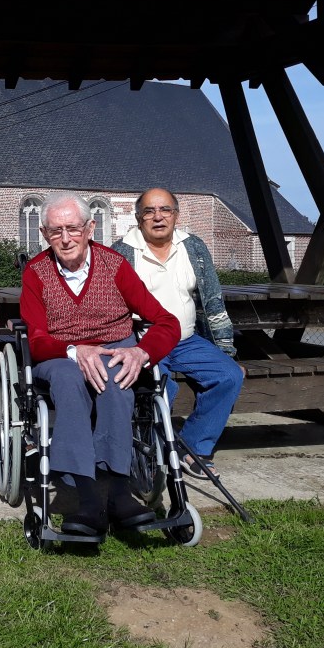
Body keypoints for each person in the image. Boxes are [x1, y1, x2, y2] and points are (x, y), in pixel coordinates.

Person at [19, 192, 180, 537]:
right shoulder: (36, 273)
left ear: (90, 228)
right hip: (59, 353)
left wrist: (141, 353)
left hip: (113, 348)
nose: (65, 238)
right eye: (56, 230)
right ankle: (88, 499)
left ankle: (119, 493)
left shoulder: (115, 266)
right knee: (67, 381)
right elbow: (36, 340)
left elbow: (167, 322)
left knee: (116, 376)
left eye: (73, 229)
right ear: (45, 234)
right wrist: (76, 350)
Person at [111, 188, 245, 480]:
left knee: (230, 375)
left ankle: (195, 448)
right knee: (163, 387)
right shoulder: (121, 252)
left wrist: (226, 351)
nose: (158, 217)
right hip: (143, 340)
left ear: (176, 215)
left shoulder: (193, 247)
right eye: (149, 211)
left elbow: (213, 301)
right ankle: (154, 454)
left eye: (165, 210)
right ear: (138, 218)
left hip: (186, 339)